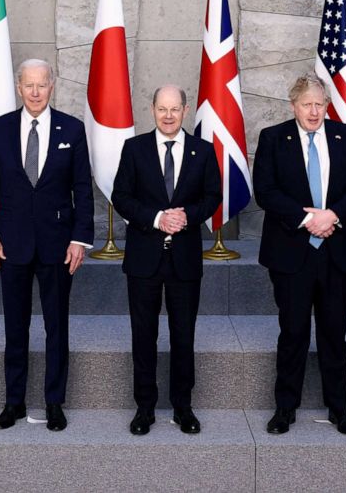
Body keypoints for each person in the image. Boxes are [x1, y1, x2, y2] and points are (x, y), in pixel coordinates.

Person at [0, 59, 93, 432]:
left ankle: (54, 402)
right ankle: (13, 401)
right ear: (18, 86)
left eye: (41, 85)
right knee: (16, 327)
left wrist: (80, 239)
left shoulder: (72, 129)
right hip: (11, 245)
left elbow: (82, 189)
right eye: (28, 85)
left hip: (58, 246)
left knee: (57, 326)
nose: (35, 92)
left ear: (52, 86)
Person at [253, 73, 346, 435]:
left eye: (320, 104)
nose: (314, 111)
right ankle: (285, 408)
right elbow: (266, 191)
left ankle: (340, 409)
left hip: (337, 250)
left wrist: (332, 215)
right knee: (293, 332)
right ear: (293, 105)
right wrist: (309, 220)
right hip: (291, 252)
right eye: (307, 104)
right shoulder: (273, 138)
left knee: (335, 332)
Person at [111, 85, 221, 435]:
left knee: (183, 336)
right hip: (144, 258)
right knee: (143, 335)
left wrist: (185, 216)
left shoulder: (202, 151)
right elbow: (121, 197)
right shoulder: (134, 148)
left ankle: (183, 407)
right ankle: (144, 407)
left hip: (185, 259)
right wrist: (158, 218)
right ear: (152, 109)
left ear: (186, 110)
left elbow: (213, 196)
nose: (168, 115)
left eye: (175, 109)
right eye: (162, 108)